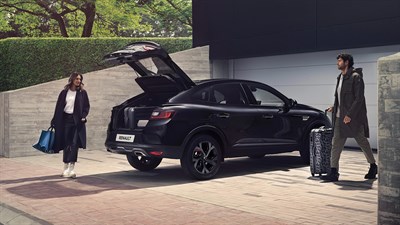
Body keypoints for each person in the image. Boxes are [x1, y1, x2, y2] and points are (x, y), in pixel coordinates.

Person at [321, 54, 377, 182]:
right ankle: (334, 172)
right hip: (340, 118)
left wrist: (349, 115)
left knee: (362, 142)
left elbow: (359, 99)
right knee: (336, 144)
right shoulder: (340, 77)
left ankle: (373, 166)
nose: (337, 63)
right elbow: (341, 99)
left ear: (347, 62)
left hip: (353, 119)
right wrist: (334, 107)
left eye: (339, 61)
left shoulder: (356, 77)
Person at [51, 72, 90, 178]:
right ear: (72, 79)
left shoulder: (82, 92)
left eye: (80, 79)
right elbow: (58, 107)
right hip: (65, 120)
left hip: (77, 121)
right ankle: (65, 168)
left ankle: (72, 169)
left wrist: (83, 116)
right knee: (66, 144)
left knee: (74, 144)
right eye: (77, 79)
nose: (79, 81)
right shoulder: (64, 92)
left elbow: (86, 106)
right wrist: (54, 120)